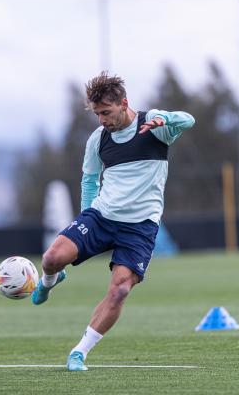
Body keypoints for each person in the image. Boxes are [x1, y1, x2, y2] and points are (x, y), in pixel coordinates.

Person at [31, 71, 195, 371]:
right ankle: (48, 281)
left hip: (141, 225)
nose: (102, 120)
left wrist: (166, 120)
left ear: (124, 104)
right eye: (97, 114)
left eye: (106, 112)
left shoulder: (154, 125)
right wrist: (85, 214)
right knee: (52, 257)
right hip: (102, 216)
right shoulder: (98, 140)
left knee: (120, 289)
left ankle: (79, 353)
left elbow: (188, 119)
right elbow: (90, 180)